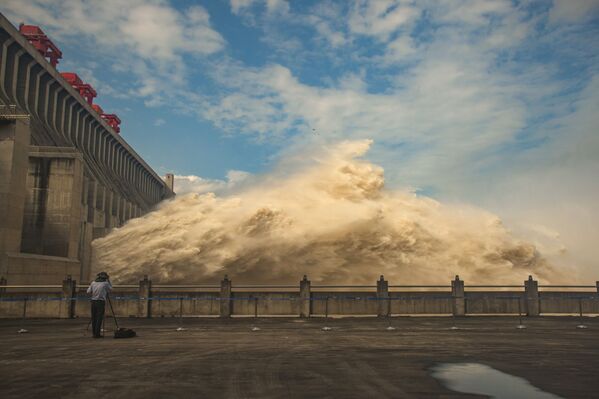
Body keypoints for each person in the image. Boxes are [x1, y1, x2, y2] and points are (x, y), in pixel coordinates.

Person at [86, 271, 112, 338]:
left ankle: (94, 333)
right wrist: (109, 281)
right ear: (105, 277)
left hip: (93, 301)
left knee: (94, 317)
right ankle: (97, 334)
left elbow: (88, 291)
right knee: (99, 318)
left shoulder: (93, 282)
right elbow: (110, 289)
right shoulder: (105, 283)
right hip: (100, 302)